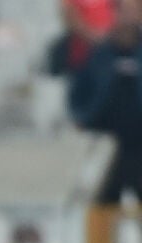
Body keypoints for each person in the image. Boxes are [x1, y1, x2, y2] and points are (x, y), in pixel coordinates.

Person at [69, 0, 142, 208]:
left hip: (139, 145)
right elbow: (78, 91)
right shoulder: (98, 55)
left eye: (134, 10)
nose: (128, 17)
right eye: (124, 10)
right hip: (105, 145)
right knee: (102, 205)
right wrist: (83, 117)